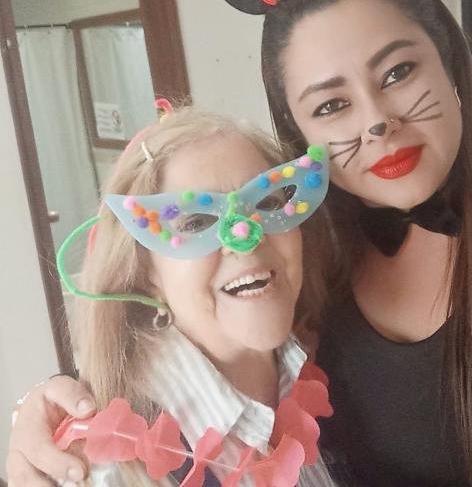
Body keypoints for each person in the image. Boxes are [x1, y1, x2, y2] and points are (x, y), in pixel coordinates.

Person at [8, 0, 472, 485]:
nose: (376, 121)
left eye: (398, 72)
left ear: (450, 67)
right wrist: (54, 412)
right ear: (300, 138)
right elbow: (187, 350)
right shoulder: (313, 271)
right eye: (331, 105)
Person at [8, 105, 337, 486]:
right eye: (196, 222)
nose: (245, 237)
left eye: (267, 203)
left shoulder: (334, 366)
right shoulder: (104, 469)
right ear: (146, 274)